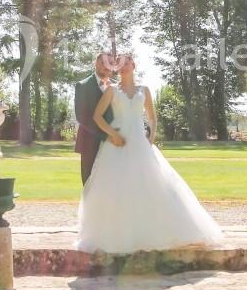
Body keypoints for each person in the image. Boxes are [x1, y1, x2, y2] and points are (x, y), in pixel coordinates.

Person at [76, 54, 225, 253]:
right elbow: (97, 117)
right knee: (116, 188)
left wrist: (151, 138)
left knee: (152, 186)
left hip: (140, 142)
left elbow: (152, 118)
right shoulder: (111, 90)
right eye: (121, 63)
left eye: (128, 62)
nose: (124, 66)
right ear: (117, 68)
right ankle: (118, 234)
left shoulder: (144, 90)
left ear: (134, 65)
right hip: (117, 143)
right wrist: (112, 134)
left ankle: (155, 231)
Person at [73, 52, 117, 184]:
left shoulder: (117, 87)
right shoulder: (83, 85)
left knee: (113, 183)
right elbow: (81, 116)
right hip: (89, 143)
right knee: (89, 183)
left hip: (114, 143)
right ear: (95, 64)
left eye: (110, 63)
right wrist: (106, 135)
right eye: (103, 62)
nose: (106, 66)